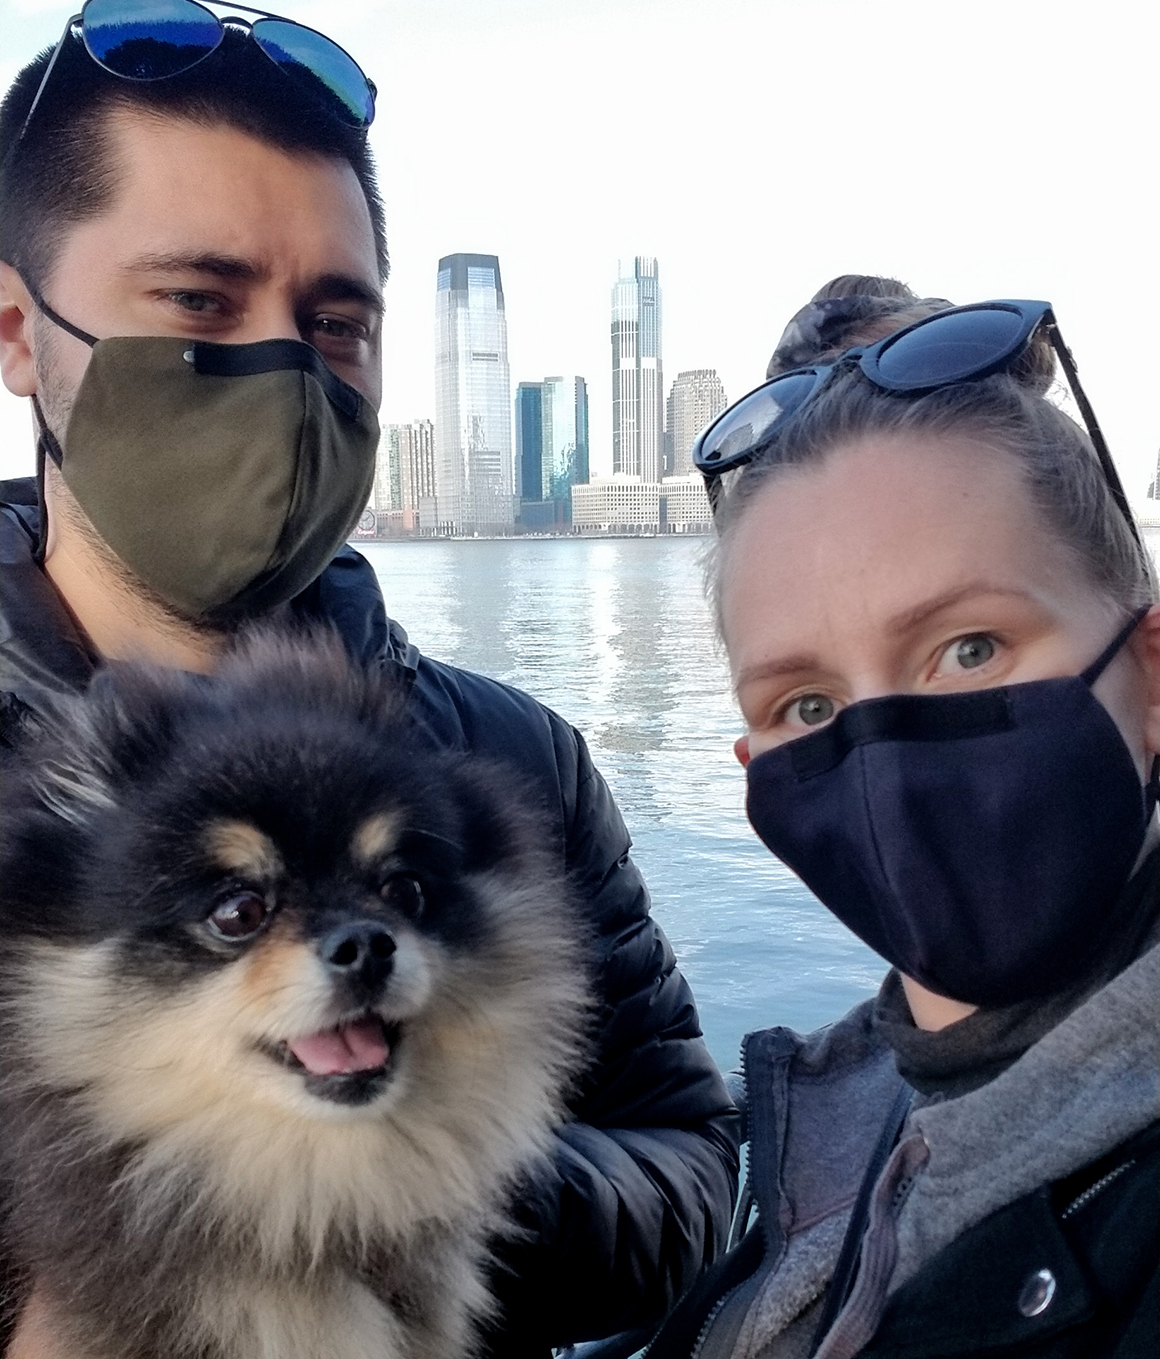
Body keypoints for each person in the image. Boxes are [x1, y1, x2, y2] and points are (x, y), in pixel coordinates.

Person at [0, 8, 739, 1355]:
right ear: (15, 328)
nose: (286, 371)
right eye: (199, 302)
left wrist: (432, 1165)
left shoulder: (508, 758)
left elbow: (691, 1160)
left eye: (334, 322)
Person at [646, 277, 1160, 1358]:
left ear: (1149, 675)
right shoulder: (841, 1097)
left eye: (967, 649)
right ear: (752, 767)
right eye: (808, 706)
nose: (881, 759)